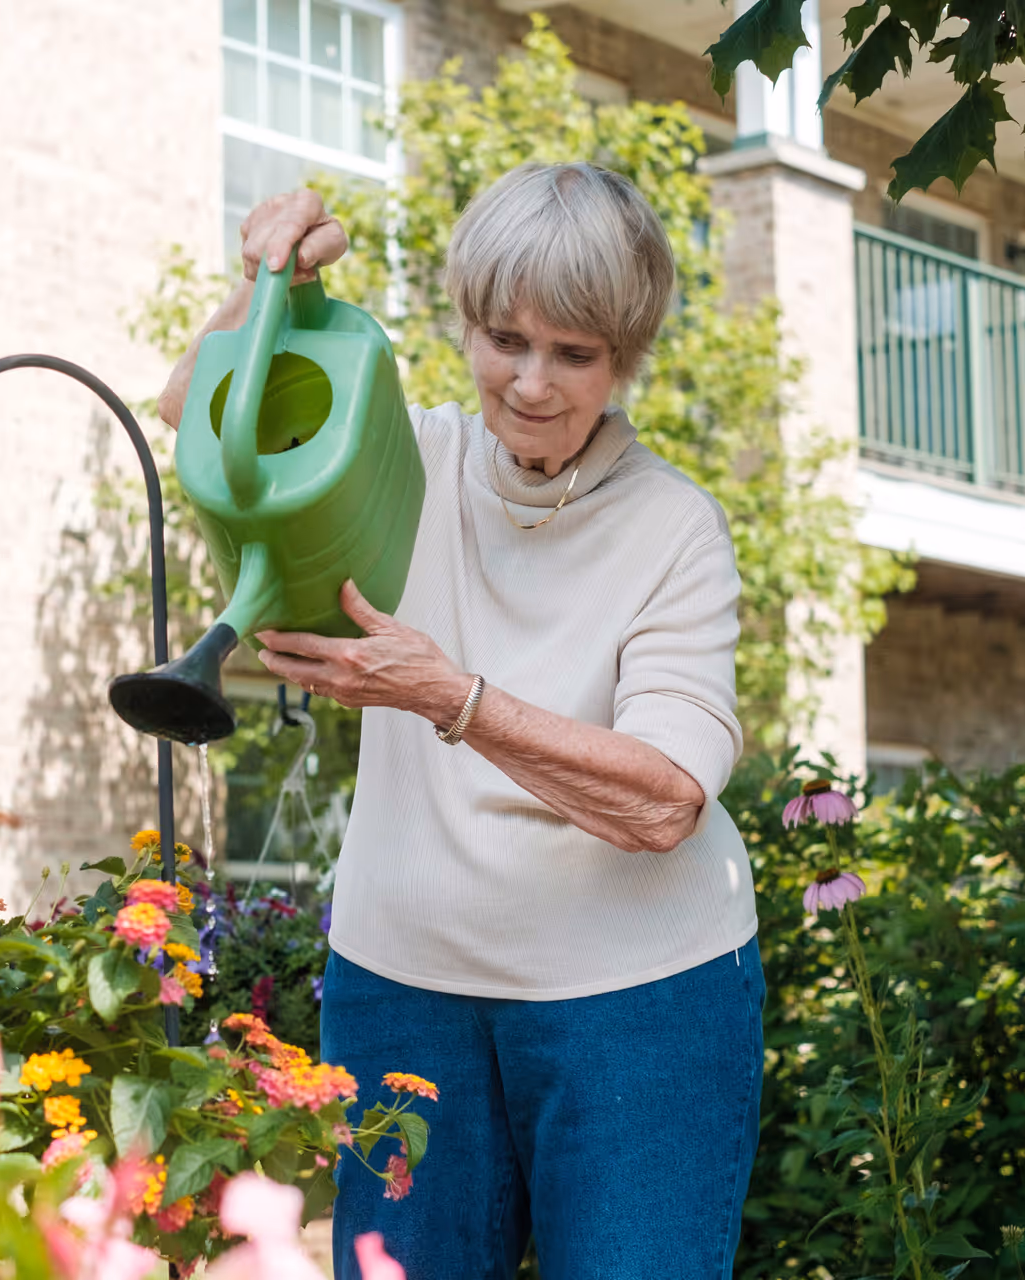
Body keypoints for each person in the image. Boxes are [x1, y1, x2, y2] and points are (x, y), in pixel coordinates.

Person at [157, 165, 762, 1280]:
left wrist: (454, 697)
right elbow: (196, 416)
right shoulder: (407, 455)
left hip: (640, 1004)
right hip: (405, 993)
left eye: (574, 352)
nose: (530, 382)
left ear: (625, 359)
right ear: (468, 328)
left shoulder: (677, 528)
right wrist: (262, 287)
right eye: (505, 338)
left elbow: (667, 796)